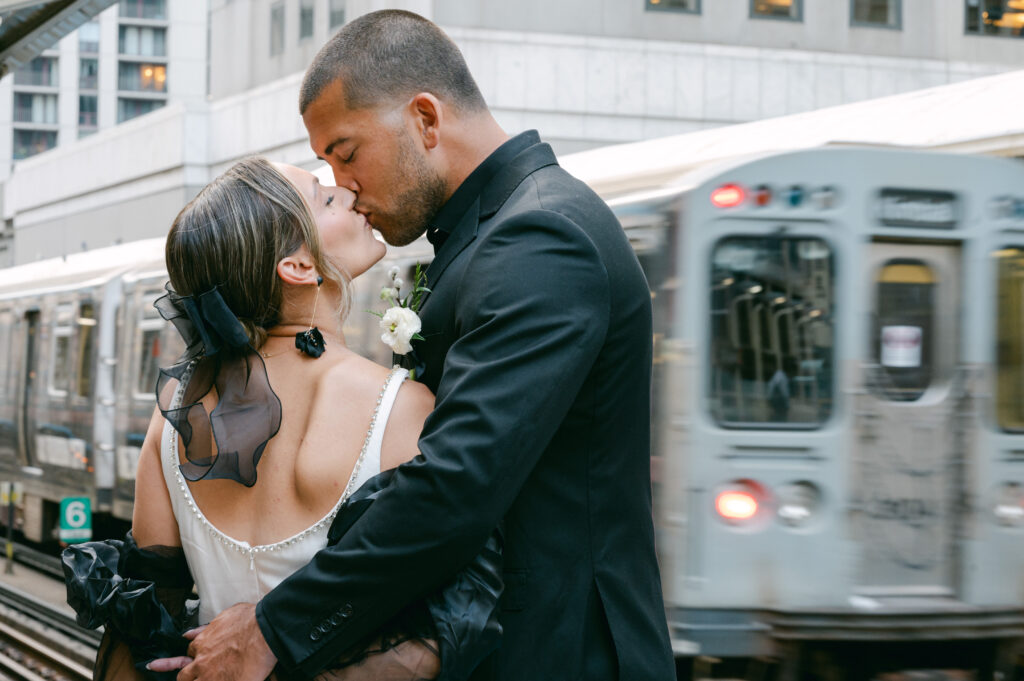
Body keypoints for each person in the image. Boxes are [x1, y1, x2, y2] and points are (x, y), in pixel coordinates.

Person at [167, 9, 675, 681]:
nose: (343, 186)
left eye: (346, 154)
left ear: (426, 120)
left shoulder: (544, 238)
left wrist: (271, 628)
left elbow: (456, 483)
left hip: (557, 652)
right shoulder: (492, 234)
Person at [64, 156, 502, 680]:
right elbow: (440, 626)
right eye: (325, 198)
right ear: (297, 266)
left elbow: (145, 617)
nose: (349, 195)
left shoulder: (175, 417)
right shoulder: (400, 407)